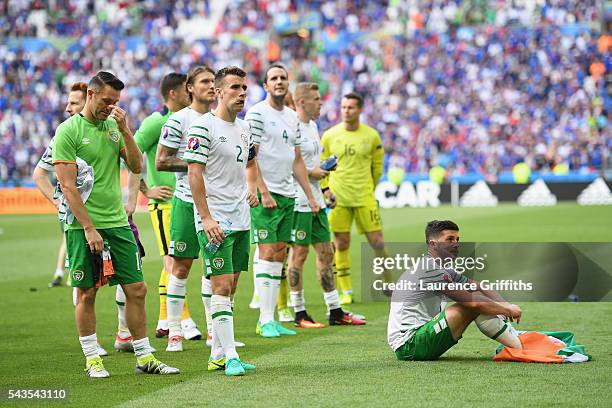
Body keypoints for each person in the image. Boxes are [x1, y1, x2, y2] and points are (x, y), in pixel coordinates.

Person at [53, 71, 179, 377]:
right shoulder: (68, 131)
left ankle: (144, 356)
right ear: (91, 95)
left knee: (137, 288)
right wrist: (88, 227)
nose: (111, 107)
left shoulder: (114, 127)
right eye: (107, 101)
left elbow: (136, 166)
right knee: (87, 292)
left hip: (117, 221)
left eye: (116, 102)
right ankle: (92, 358)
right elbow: (68, 187)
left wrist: (126, 131)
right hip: (83, 226)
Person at [185, 66, 258, 376]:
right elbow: (194, 173)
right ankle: (230, 356)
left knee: (232, 286)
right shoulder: (203, 127)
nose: (242, 93)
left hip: (241, 219)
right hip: (215, 220)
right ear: (218, 92)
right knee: (221, 285)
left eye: (244, 87)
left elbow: (251, 163)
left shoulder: (244, 129)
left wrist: (252, 189)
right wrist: (205, 217)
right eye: (235, 88)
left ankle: (217, 353)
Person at [245, 64, 320, 338]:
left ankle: (271, 317)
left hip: (288, 194)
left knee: (278, 253)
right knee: (266, 252)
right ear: (266, 85)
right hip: (268, 194)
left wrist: (310, 196)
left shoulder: (291, 117)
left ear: (287, 84)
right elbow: (250, 155)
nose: (279, 82)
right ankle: (264, 319)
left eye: (283, 78)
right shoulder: (256, 114)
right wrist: (262, 190)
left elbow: (297, 160)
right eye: (274, 78)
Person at [287, 82, 366, 327]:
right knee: (298, 256)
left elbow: (310, 163)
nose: (321, 103)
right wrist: (316, 173)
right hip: (299, 201)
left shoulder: (312, 126)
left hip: (316, 201)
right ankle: (299, 313)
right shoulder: (292, 126)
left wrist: (324, 187)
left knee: (326, 253)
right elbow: (290, 165)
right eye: (316, 99)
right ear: (302, 102)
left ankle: (334, 310)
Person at [131, 72, 202, 341]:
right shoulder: (155, 122)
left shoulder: (191, 120)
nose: (190, 93)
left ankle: (164, 319)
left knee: (178, 262)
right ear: (174, 93)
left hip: (186, 200)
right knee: (173, 262)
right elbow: (130, 154)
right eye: (187, 89)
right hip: (165, 204)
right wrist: (147, 190)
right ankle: (180, 320)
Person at [388, 220, 523, 361]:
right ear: (433, 243)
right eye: (449, 239)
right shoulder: (430, 270)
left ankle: (514, 338)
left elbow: (480, 286)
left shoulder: (440, 268)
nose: (456, 243)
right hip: (410, 345)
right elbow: (474, 304)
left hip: (418, 338)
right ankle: (519, 347)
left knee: (478, 298)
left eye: (457, 239)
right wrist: (508, 310)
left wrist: (505, 305)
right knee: (472, 305)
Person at [156, 66, 216, 352]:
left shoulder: (222, 121)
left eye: (214, 82)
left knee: (213, 269)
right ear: (190, 87)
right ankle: (175, 333)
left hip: (216, 203)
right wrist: (195, 163)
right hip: (184, 200)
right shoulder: (178, 121)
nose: (211, 86)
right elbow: (161, 161)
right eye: (205, 81)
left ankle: (214, 334)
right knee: (180, 266)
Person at [320, 92, 387, 305]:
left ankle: (387, 283)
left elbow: (377, 167)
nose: (346, 111)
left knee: (377, 242)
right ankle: (346, 290)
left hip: (365, 197)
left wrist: (370, 188)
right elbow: (323, 167)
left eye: (350, 107)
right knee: (341, 243)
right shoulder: (330, 136)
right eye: (343, 107)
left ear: (360, 110)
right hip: (339, 198)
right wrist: (326, 190)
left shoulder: (372, 136)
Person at [34, 82, 88, 288]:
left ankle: (59, 272)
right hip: (76, 212)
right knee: (83, 286)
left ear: (88, 101)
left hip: (108, 214)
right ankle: (60, 272)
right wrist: (58, 201)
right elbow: (39, 174)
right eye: (68, 103)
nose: (68, 108)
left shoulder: (108, 129)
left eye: (74, 103)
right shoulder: (63, 135)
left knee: (126, 280)